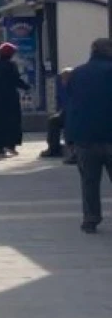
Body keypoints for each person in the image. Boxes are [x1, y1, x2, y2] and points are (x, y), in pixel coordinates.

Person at [64, 38, 112, 234]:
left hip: (85, 137)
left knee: (89, 182)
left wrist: (70, 138)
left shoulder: (77, 73)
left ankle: (91, 218)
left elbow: (71, 105)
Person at [0, 42, 30, 158]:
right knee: (13, 121)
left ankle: (0, 148)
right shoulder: (11, 65)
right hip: (10, 97)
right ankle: (10, 145)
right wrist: (26, 87)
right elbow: (16, 79)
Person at [41, 68, 75, 162]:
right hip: (69, 112)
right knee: (53, 120)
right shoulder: (68, 89)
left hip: (76, 114)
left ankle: (69, 149)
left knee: (65, 122)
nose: (62, 82)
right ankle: (53, 147)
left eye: (64, 79)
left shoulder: (75, 88)